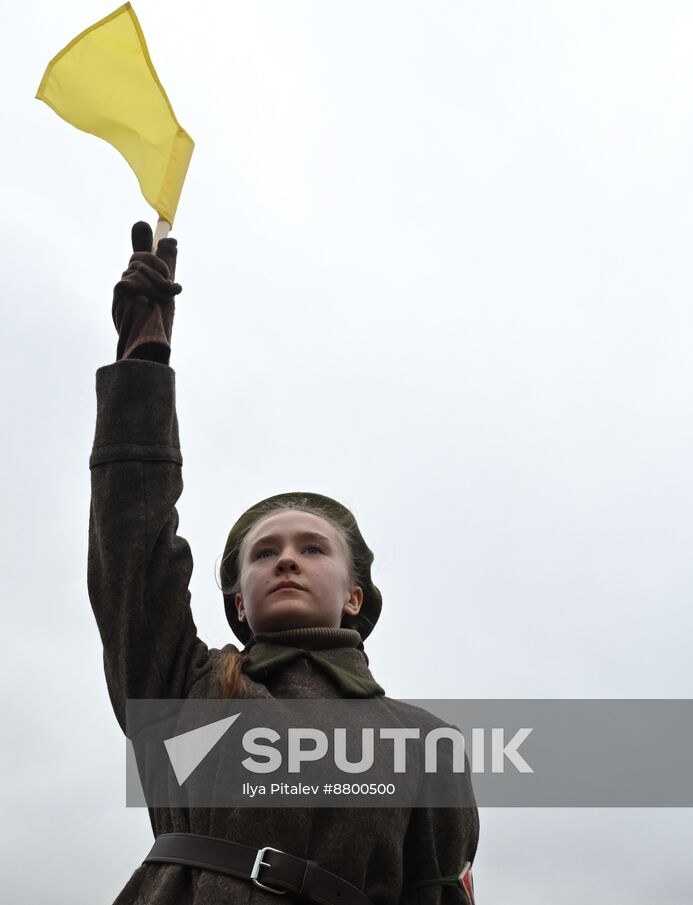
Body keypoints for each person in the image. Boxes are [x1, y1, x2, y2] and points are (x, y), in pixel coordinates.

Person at [87, 222, 480, 904]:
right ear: (239, 601)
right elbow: (131, 547)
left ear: (354, 595)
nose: (286, 560)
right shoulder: (186, 685)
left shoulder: (424, 742)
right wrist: (141, 369)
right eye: (264, 553)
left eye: (312, 548)